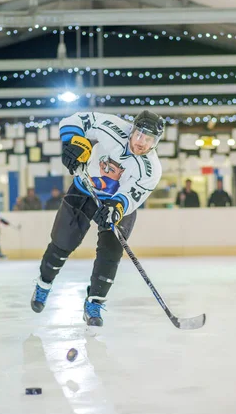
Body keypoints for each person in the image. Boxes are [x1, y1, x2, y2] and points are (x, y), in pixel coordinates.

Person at [30, 110, 165, 327]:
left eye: (149, 140)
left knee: (111, 252)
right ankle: (44, 283)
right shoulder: (111, 126)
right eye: (140, 135)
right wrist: (75, 142)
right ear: (132, 129)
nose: (142, 143)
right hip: (84, 190)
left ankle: (94, 302)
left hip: (116, 203)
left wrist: (117, 207)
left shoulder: (151, 169)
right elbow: (72, 121)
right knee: (62, 243)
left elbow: (131, 196)